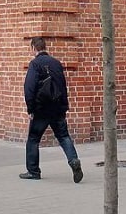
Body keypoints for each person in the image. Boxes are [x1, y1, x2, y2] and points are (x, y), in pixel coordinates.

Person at [20, 37, 83, 183]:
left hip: (41, 109)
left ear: (33, 48)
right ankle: (74, 160)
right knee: (64, 136)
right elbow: (63, 86)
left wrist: (30, 109)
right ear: (45, 47)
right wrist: (64, 107)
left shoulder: (35, 64)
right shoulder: (56, 63)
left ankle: (33, 171)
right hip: (57, 109)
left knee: (33, 139)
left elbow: (29, 88)